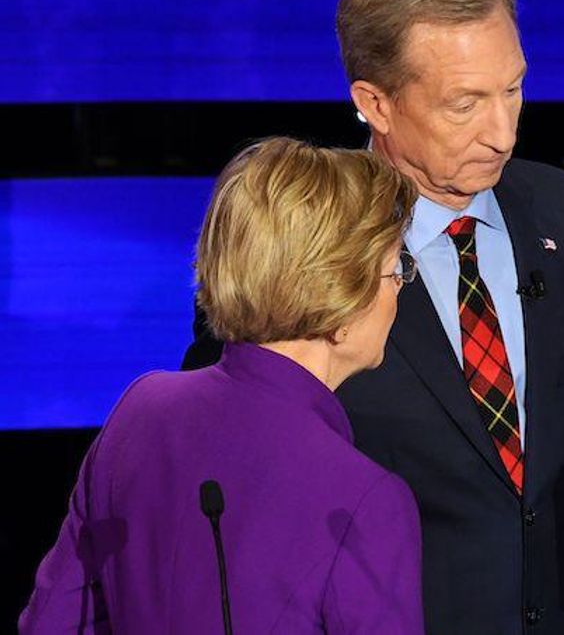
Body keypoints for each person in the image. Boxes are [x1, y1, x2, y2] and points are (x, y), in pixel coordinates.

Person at [181, 0, 564, 635]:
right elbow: (231, 459)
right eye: (464, 104)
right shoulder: (296, 241)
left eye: (512, 89)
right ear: (375, 104)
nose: (502, 132)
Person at [20, 138, 423, 633]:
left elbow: (53, 622)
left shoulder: (140, 411)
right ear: (342, 300)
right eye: (395, 269)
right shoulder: (367, 500)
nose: (399, 288)